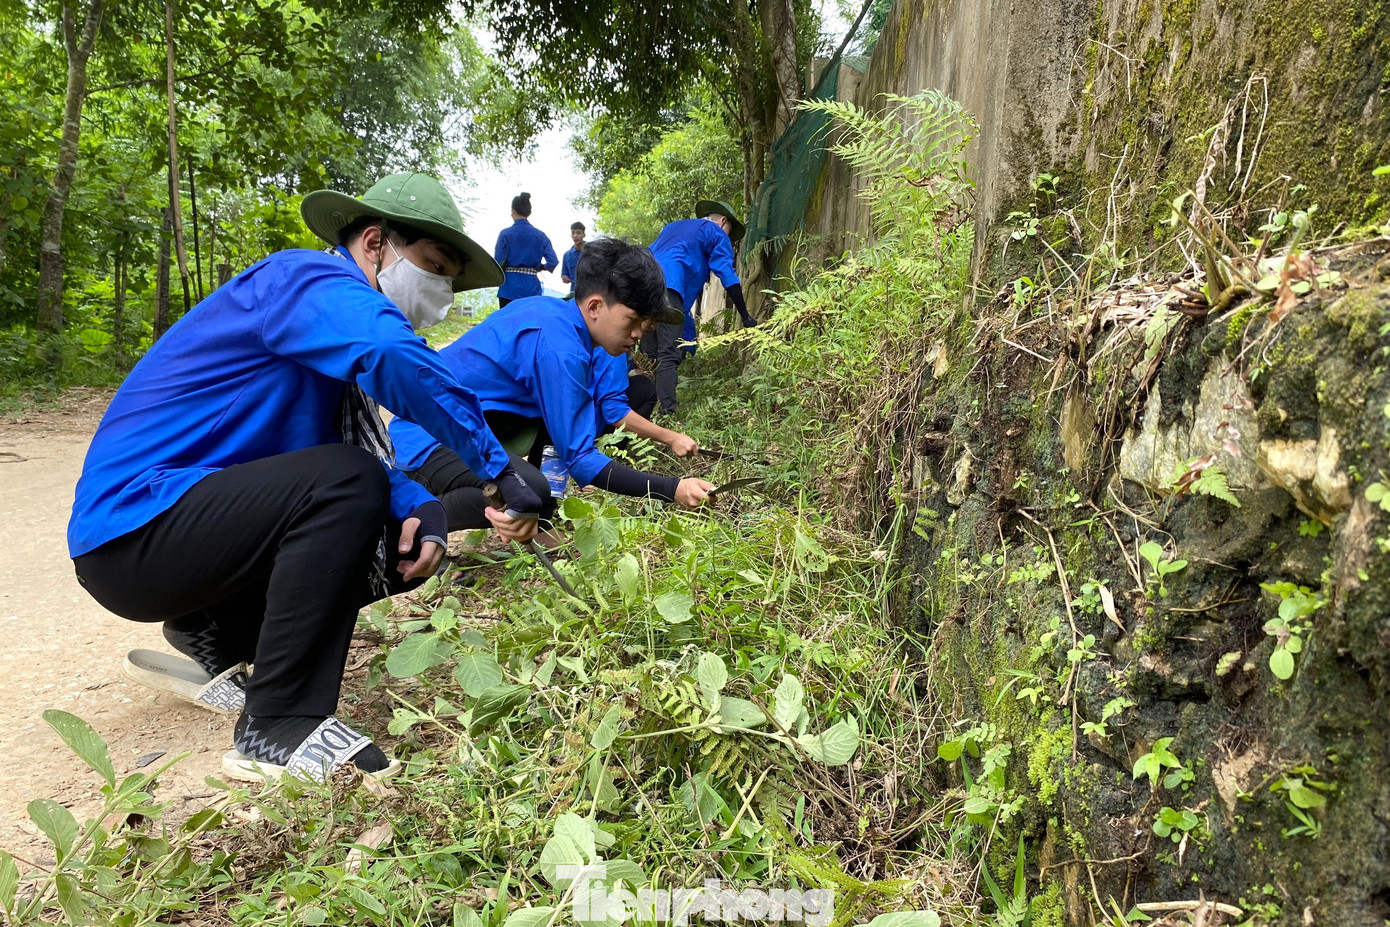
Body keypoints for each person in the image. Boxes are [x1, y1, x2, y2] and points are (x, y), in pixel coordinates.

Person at [68, 172, 542, 782]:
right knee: (349, 482)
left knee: (392, 532)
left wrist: (424, 509)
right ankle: (278, 724)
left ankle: (213, 631)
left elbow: (329, 454)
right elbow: (390, 357)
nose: (441, 292)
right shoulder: (302, 278)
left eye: (450, 280)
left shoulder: (325, 356)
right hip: (134, 529)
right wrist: (494, 466)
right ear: (375, 243)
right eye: (433, 267)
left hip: (187, 542)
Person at [388, 238, 714, 533]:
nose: (639, 333)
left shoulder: (553, 315)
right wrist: (672, 488)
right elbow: (581, 459)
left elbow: (564, 433)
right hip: (426, 441)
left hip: (463, 435)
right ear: (595, 306)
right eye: (633, 320)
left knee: (536, 481)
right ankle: (408, 522)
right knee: (530, 491)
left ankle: (536, 521)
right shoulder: (561, 348)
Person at [633, 200, 756, 418]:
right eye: (729, 232)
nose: (727, 238)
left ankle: (642, 413)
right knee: (668, 354)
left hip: (644, 285)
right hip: (670, 287)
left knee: (648, 355)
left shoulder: (673, 227)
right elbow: (727, 275)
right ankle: (667, 415)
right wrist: (745, 316)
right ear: (722, 221)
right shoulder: (715, 231)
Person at [494, 192, 559, 307]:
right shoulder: (540, 236)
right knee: (531, 318)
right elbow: (553, 261)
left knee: (508, 318)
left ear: (513, 211)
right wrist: (541, 267)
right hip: (532, 288)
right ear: (529, 212)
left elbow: (498, 263)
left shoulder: (505, 234)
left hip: (509, 289)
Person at [560, 221, 586, 290]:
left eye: (578, 233)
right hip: (574, 292)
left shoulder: (592, 252)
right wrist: (564, 278)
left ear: (584, 235)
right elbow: (564, 274)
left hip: (592, 292)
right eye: (573, 233)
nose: (575, 236)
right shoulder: (567, 255)